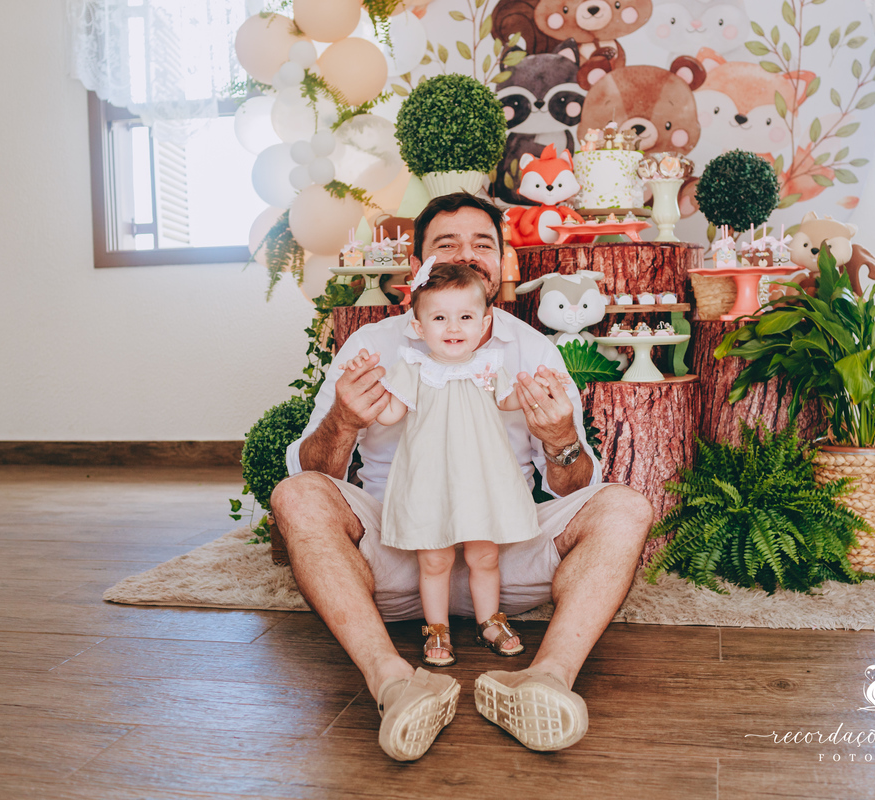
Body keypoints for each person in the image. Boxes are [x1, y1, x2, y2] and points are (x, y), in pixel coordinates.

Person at [272, 192, 654, 762]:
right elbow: (315, 473)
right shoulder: (373, 347)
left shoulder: (531, 350)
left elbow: (578, 488)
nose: (467, 255)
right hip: (398, 547)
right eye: (446, 244)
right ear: (416, 268)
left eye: (483, 244)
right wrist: (345, 420)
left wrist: (560, 439)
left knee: (625, 506)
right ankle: (395, 683)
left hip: (502, 547)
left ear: (501, 266)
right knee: (295, 495)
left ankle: (546, 680)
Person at [339, 259, 567, 668]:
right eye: (440, 318)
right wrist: (365, 385)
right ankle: (437, 629)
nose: (453, 327)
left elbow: (508, 401)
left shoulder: (490, 366)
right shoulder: (413, 367)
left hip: (480, 481)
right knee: (435, 559)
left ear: (484, 324)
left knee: (485, 555)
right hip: (430, 482)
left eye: (465, 317)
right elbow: (390, 414)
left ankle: (490, 622)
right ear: (419, 327)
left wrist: (541, 389)